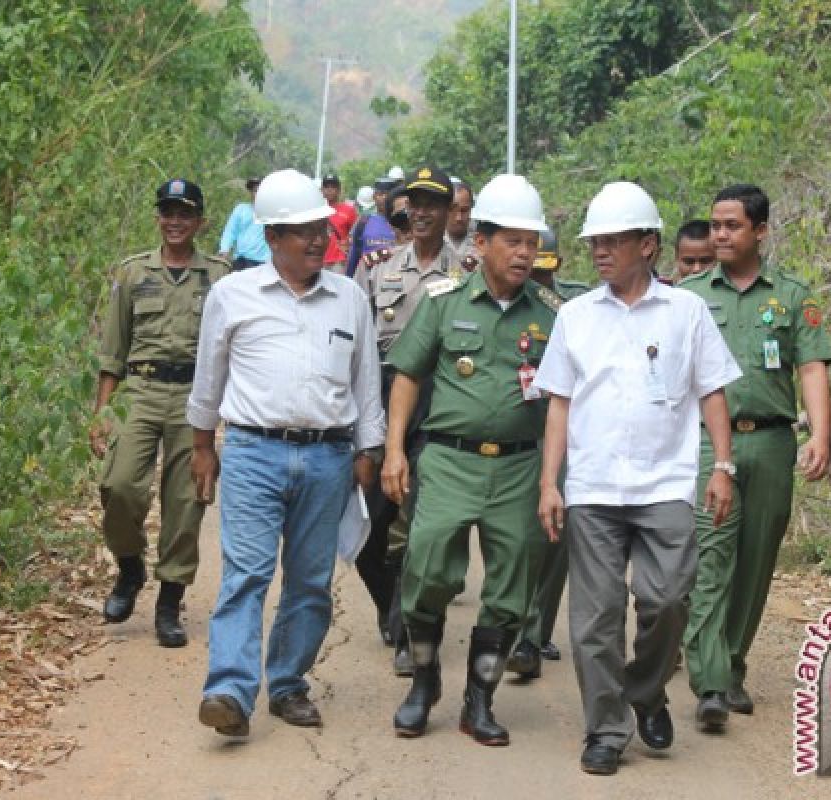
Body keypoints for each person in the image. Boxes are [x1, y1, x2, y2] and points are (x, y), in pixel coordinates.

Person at [534, 181, 740, 775]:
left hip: (665, 485)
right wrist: (552, 483)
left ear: (648, 244)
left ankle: (646, 688)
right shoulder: (575, 316)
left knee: (668, 599)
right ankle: (605, 728)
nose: (600, 252)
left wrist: (722, 466)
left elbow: (713, 390)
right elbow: (559, 405)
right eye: (594, 242)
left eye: (613, 241)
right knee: (593, 621)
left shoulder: (687, 311)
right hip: (594, 488)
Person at [187, 169, 385, 738]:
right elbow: (208, 378)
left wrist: (367, 449)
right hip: (253, 452)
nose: (318, 241)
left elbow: (365, 381)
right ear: (273, 237)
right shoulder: (231, 296)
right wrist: (203, 445)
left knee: (310, 581)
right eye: (302, 232)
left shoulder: (349, 298)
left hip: (327, 457)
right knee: (246, 576)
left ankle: (289, 683)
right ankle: (228, 688)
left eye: (321, 229)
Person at [382, 173, 559, 746]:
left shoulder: (554, 315)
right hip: (450, 462)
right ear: (481, 243)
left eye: (531, 241)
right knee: (428, 567)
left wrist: (554, 477)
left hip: (519, 468)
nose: (525, 252)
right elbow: (407, 374)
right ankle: (425, 680)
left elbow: (564, 399)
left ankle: (478, 700)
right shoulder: (443, 304)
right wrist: (393, 451)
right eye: (513, 240)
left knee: (511, 588)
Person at [680, 184, 831, 729]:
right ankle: (711, 681)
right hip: (706, 444)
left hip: (770, 440)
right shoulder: (691, 295)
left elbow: (812, 367)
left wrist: (818, 433)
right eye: (716, 225)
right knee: (711, 556)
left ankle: (733, 662)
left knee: (754, 561)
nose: (720, 234)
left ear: (761, 231)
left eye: (732, 226)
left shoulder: (792, 296)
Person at [91, 178, 229, 648]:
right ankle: (130, 568)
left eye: (185, 214)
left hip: (195, 394)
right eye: (168, 213)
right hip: (141, 391)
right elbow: (112, 351)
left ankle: (170, 601)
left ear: (200, 222)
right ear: (159, 218)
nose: (175, 222)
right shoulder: (132, 274)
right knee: (118, 485)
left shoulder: (219, 277)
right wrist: (102, 412)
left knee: (187, 500)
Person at [353, 166, 467, 671]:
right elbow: (354, 342)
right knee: (369, 527)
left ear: (448, 213)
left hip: (440, 404)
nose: (421, 212)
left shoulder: (468, 272)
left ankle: (409, 629)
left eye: (432, 204)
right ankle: (389, 604)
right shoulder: (378, 268)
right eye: (414, 203)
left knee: (420, 522)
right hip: (380, 398)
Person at [506, 227, 588, 679]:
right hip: (519, 431)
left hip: (567, 433)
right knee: (518, 537)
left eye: (545, 269)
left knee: (555, 535)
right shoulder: (504, 304)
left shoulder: (575, 309)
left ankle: (531, 637)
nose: (538, 279)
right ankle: (513, 623)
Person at [347, 177, 401, 277]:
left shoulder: (404, 224)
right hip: (366, 283)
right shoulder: (363, 222)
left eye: (387, 194)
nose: (384, 198)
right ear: (374, 197)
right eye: (380, 194)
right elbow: (353, 259)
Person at [217, 177, 271, 270]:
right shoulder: (241, 209)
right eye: (255, 191)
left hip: (265, 262)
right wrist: (224, 250)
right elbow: (230, 231)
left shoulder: (271, 213)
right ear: (251, 193)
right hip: (241, 260)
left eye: (260, 191)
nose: (257, 194)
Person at [322, 173, 358, 274]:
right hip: (320, 259)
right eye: (326, 187)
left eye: (333, 187)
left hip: (339, 261)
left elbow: (355, 234)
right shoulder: (318, 211)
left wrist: (348, 248)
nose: (329, 190)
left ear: (338, 190)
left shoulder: (349, 210)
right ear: (322, 190)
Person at [446, 179, 478, 262]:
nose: (458, 218)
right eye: (452, 210)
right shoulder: (431, 241)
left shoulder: (483, 242)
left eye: (464, 210)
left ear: (471, 209)